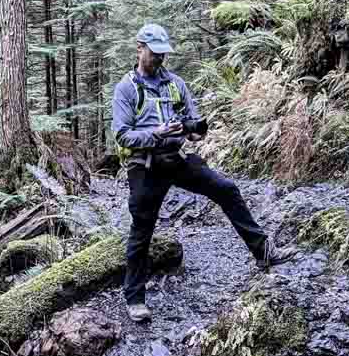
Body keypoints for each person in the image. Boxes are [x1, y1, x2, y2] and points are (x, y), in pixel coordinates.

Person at [112, 23, 295, 323]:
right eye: (154, 53)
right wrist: (156, 133)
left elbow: (193, 120)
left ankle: (264, 252)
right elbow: (122, 135)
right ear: (140, 48)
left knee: (226, 188)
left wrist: (194, 130)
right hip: (144, 166)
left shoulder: (175, 84)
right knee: (142, 229)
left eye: (163, 53)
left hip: (177, 158)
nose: (160, 59)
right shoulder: (126, 89)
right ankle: (135, 298)